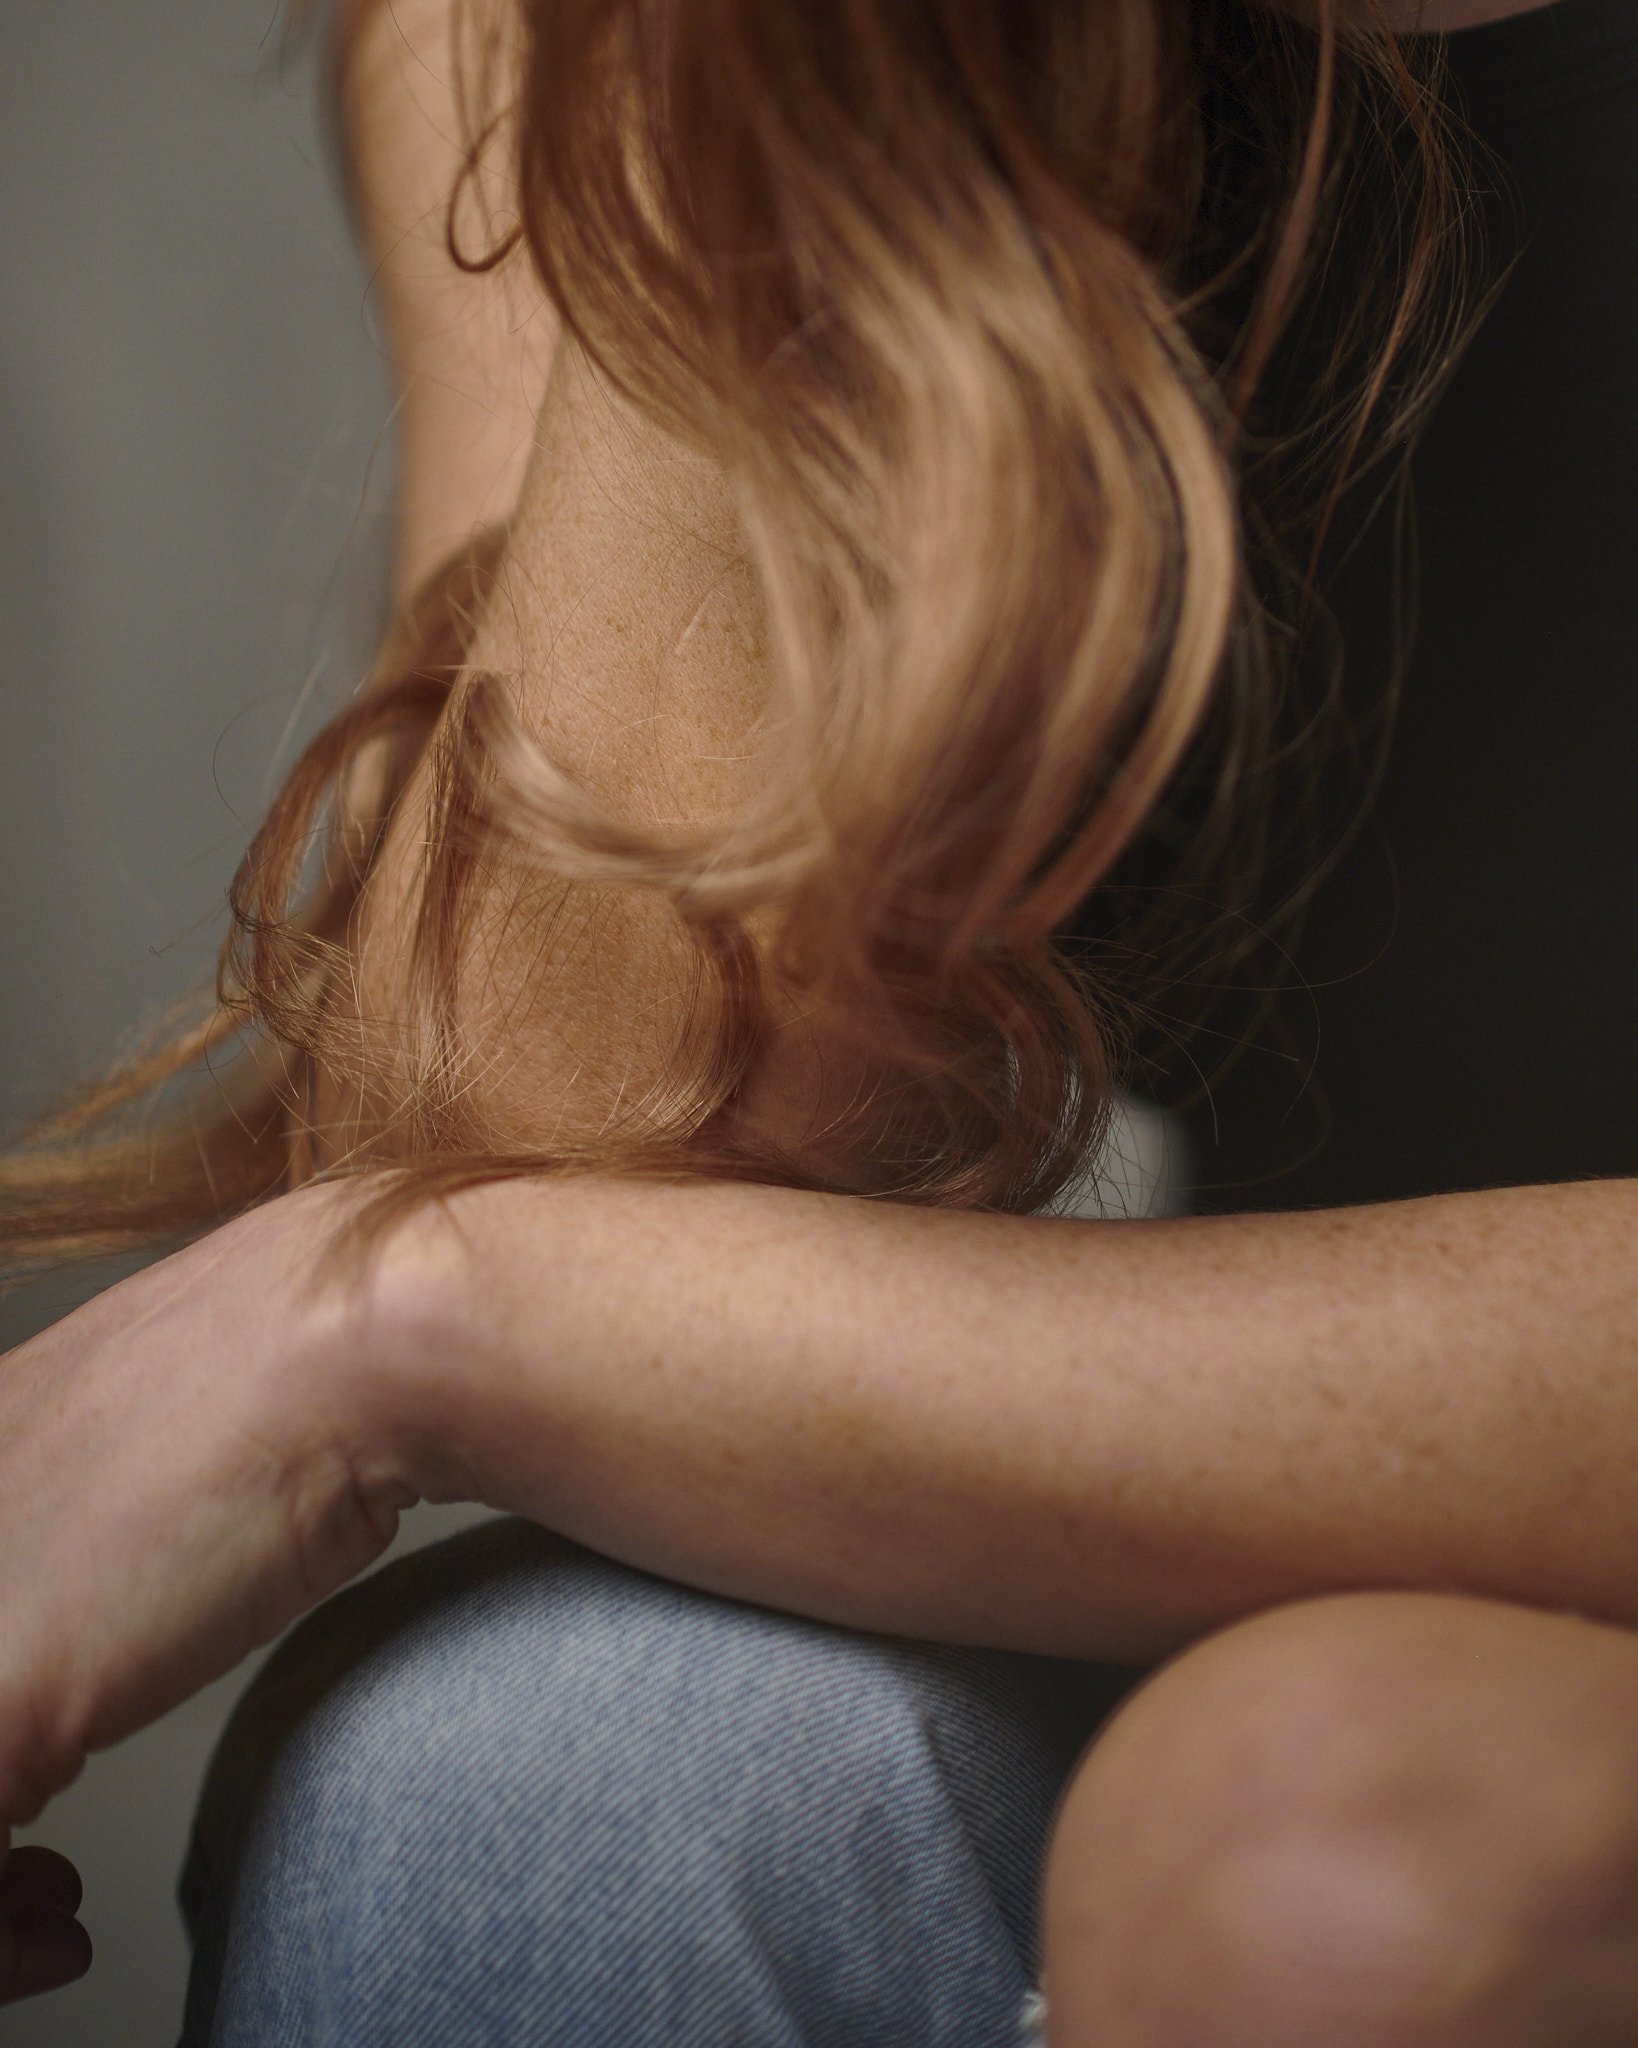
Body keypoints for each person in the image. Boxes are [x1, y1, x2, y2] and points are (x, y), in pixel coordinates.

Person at [1, 0, 1635, 2042]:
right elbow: (593, 1121)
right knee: (545, 1768)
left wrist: (407, 1321)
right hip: (1197, 1579)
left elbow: (541, 1250)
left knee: (1327, 1880)